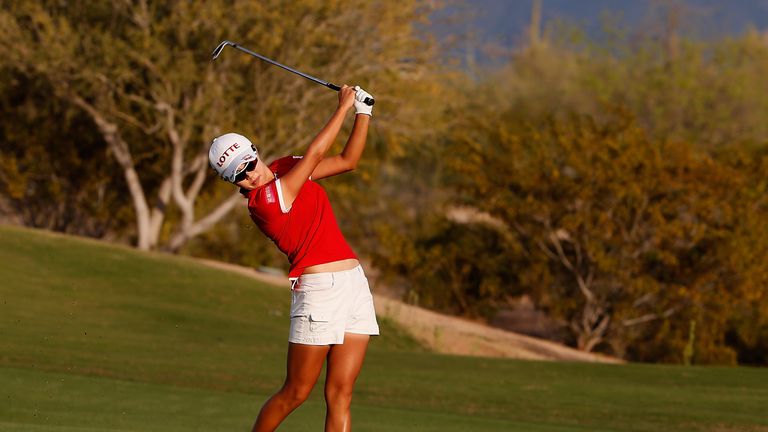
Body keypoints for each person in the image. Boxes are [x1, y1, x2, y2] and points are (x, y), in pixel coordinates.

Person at [208, 85, 379, 432]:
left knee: (341, 394)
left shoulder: (285, 167)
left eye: (249, 163)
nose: (250, 174)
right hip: (319, 290)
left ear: (255, 152)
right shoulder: (265, 203)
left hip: (353, 283)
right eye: (239, 174)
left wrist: (364, 112)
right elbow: (316, 153)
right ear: (232, 181)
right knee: (297, 392)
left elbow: (348, 161)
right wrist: (344, 106)